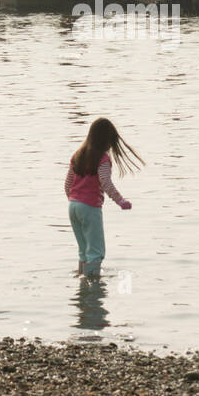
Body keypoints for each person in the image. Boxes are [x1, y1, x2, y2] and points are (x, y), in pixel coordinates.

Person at [63, 118, 141, 279]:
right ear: (107, 141)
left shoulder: (77, 155)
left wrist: (74, 201)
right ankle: (93, 290)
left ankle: (82, 286)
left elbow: (68, 184)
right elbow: (105, 182)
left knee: (83, 250)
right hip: (89, 207)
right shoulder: (103, 159)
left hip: (73, 206)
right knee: (96, 252)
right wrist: (120, 200)